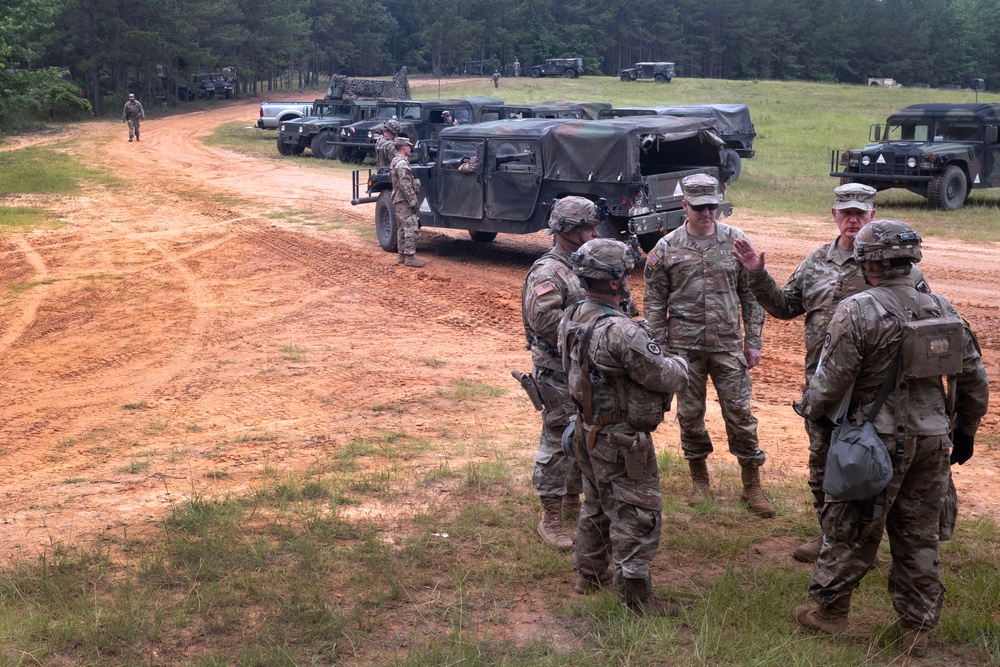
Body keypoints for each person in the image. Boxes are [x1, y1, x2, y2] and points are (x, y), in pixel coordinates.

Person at [793, 219, 989, 653]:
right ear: (911, 261)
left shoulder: (858, 309)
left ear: (868, 263)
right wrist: (965, 431)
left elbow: (830, 382)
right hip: (933, 442)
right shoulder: (944, 308)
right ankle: (917, 630)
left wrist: (810, 410)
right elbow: (974, 382)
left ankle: (829, 612)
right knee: (918, 535)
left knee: (852, 528)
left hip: (873, 444)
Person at [733, 183, 907, 559]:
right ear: (834, 215)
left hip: (872, 394)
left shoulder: (889, 266)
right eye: (846, 212)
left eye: (860, 212)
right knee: (822, 464)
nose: (853, 219)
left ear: (872, 216)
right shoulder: (816, 261)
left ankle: (866, 544)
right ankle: (829, 536)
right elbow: (783, 306)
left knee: (869, 464)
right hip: (822, 386)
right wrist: (758, 275)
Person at [559, 238, 689, 614]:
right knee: (638, 511)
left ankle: (590, 574)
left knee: (597, 502)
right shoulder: (621, 332)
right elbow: (664, 376)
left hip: (585, 430)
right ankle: (636, 597)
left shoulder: (574, 314)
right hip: (620, 439)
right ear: (616, 281)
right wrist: (679, 361)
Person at [643, 173, 774, 517]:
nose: (707, 213)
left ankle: (752, 485)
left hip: (728, 345)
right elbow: (654, 303)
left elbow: (752, 295)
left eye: (712, 206)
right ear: (684, 205)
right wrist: (658, 351)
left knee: (741, 414)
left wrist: (754, 341)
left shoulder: (736, 241)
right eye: (699, 207)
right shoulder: (667, 247)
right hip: (684, 349)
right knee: (690, 415)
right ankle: (699, 481)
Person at [521, 197, 601, 551]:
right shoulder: (547, 272)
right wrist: (593, 331)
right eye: (586, 227)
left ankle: (573, 501)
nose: (593, 232)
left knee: (585, 437)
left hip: (589, 370)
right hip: (557, 372)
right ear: (566, 231)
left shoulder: (589, 264)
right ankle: (550, 517)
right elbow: (544, 322)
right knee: (557, 440)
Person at [389, 138, 424, 268]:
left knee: (402, 227)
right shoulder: (401, 163)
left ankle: (402, 255)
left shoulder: (396, 161)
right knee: (411, 226)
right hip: (404, 200)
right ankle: (410, 257)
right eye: (409, 146)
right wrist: (413, 201)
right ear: (403, 147)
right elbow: (405, 185)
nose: (411, 149)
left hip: (399, 199)